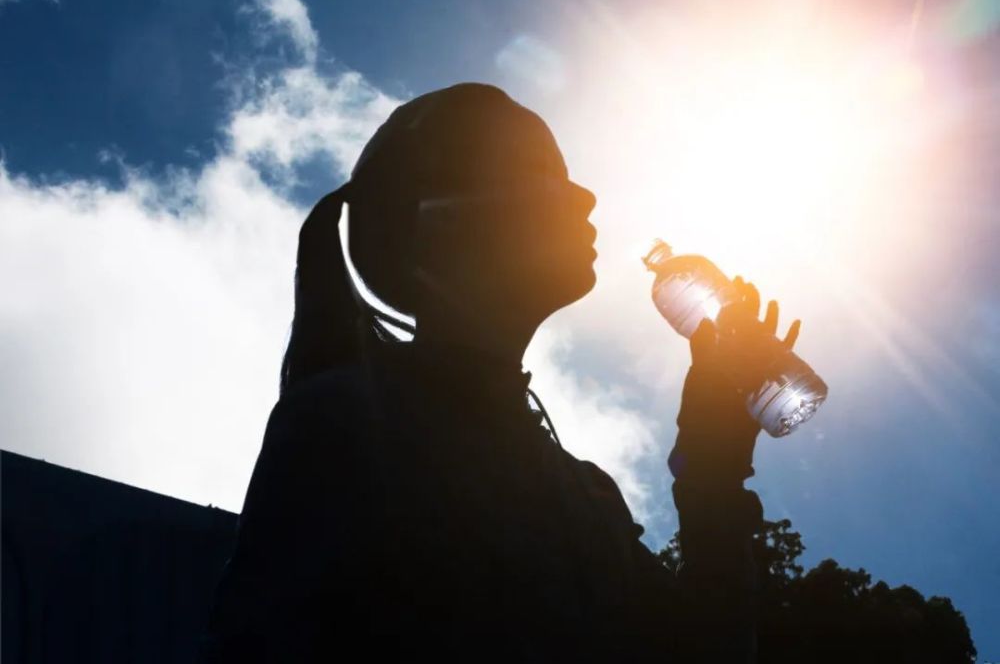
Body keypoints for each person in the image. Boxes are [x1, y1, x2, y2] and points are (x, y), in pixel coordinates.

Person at [200, 83, 801, 662]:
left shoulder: (585, 494)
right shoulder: (346, 423)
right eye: (541, 172)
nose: (585, 197)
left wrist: (711, 465)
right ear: (446, 216)